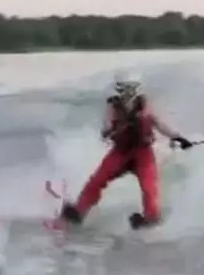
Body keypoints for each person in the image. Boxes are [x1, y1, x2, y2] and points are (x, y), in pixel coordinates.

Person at [60, 71, 193, 229]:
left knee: (149, 188)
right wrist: (108, 130)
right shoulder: (113, 106)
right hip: (120, 152)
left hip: (142, 153)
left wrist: (177, 137)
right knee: (97, 180)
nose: (128, 93)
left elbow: (159, 124)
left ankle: (151, 219)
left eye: (132, 89)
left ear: (137, 90)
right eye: (124, 89)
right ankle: (78, 212)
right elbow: (107, 125)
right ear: (118, 89)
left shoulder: (144, 105)